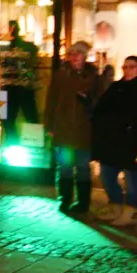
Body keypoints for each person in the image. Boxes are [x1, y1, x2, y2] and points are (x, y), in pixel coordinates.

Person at [91, 56, 137, 227]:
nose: (126, 70)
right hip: (113, 141)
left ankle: (131, 211)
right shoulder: (117, 87)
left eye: (131, 67)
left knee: (132, 176)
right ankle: (116, 205)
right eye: (124, 67)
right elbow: (102, 110)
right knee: (107, 174)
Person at [45, 41, 102, 215]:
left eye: (78, 53)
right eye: (72, 53)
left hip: (84, 129)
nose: (75, 56)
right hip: (63, 128)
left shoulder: (93, 77)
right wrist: (49, 124)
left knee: (83, 166)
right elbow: (51, 100)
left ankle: (83, 202)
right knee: (64, 166)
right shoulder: (61, 75)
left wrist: (89, 102)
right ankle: (64, 199)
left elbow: (100, 101)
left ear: (85, 56)